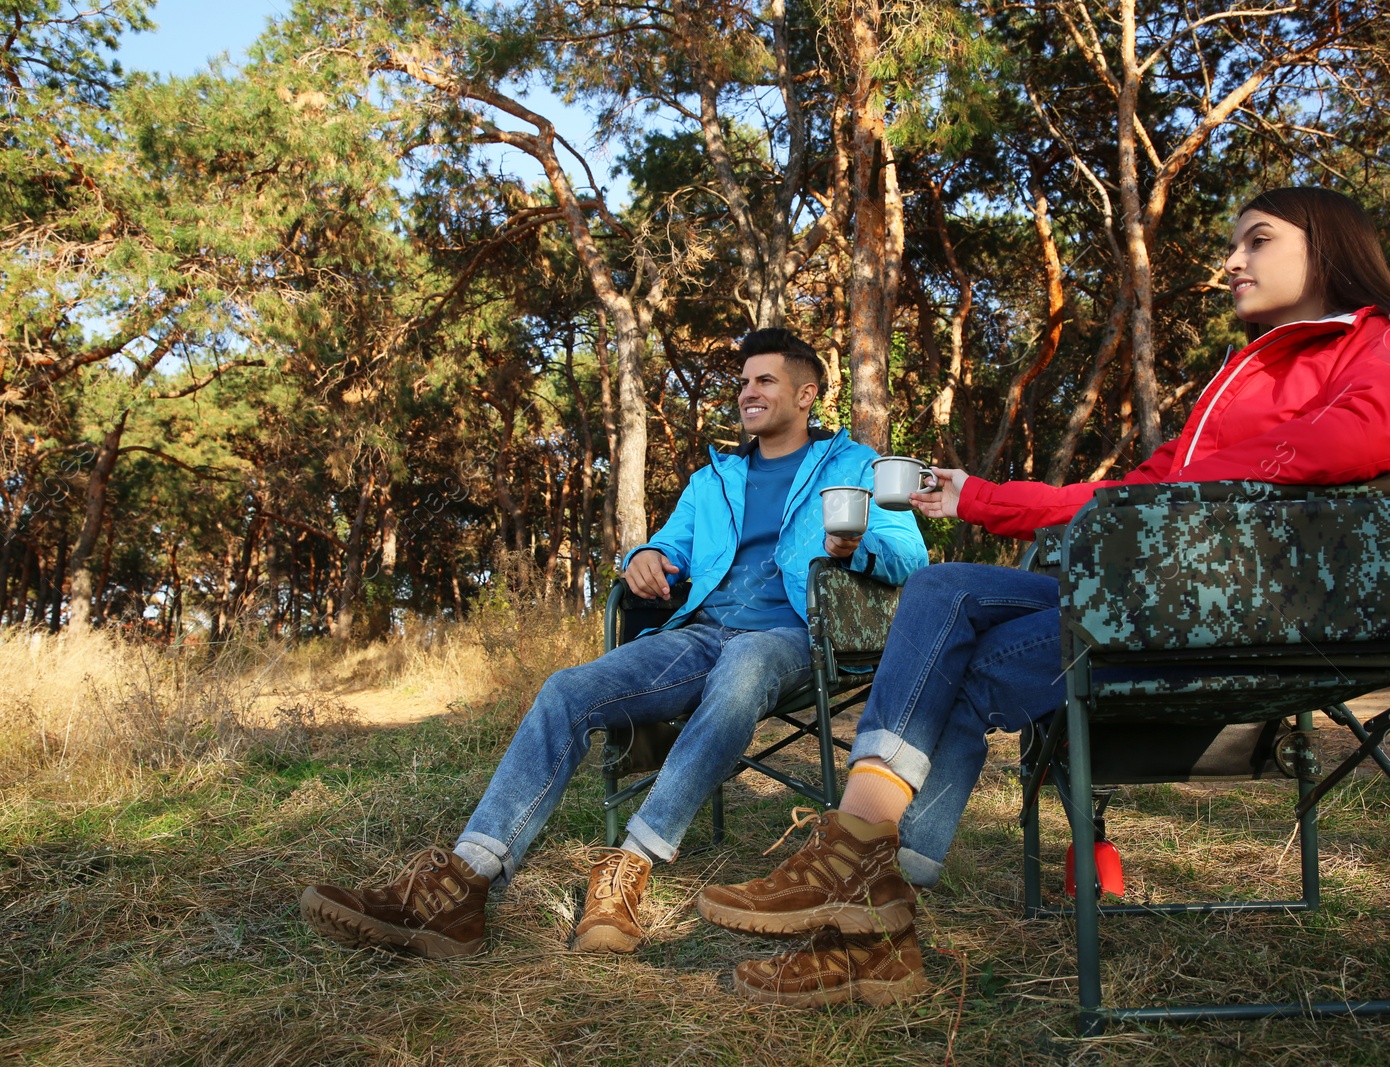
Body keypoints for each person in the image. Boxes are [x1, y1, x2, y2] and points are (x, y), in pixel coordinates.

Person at [695, 187, 1390, 1008]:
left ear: (1328, 245)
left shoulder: (1381, 340)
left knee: (944, 652)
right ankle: (862, 895)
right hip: (1166, 599)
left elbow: (1364, 436)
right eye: (1233, 244)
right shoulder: (1246, 371)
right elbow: (1137, 490)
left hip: (1244, 614)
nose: (1232, 261)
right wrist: (978, 498)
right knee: (943, 589)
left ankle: (861, 899)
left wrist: (1188, 489)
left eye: (1257, 240)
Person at [300, 328, 927, 959]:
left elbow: (909, 555)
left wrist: (856, 547)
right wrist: (646, 556)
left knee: (742, 670)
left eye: (764, 381)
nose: (747, 392)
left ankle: (630, 867)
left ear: (806, 393)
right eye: (741, 382)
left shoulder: (856, 467)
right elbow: (672, 544)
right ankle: (465, 883)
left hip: (796, 634)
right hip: (701, 631)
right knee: (568, 689)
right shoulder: (716, 477)